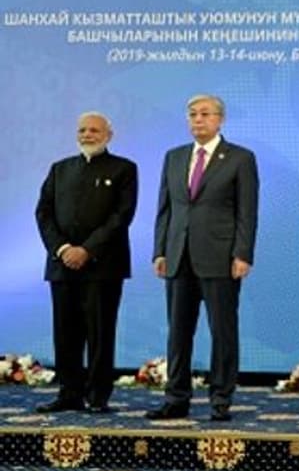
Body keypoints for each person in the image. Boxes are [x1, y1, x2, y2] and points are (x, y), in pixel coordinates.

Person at [148, 95, 258, 422]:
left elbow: (247, 212)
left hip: (220, 258)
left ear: (220, 119)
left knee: (222, 331)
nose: (198, 119)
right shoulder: (174, 157)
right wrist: (160, 250)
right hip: (178, 256)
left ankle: (221, 399)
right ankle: (176, 397)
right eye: (193, 114)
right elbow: (165, 209)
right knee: (178, 333)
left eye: (205, 114)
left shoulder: (240, 158)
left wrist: (242, 253)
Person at [34, 112, 137, 414]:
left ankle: (98, 396)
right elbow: (43, 213)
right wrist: (64, 249)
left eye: (94, 130)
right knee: (65, 333)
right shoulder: (60, 169)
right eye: (82, 130)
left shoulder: (124, 168)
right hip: (62, 264)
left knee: (100, 333)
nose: (87, 135)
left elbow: (121, 216)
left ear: (108, 135)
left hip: (103, 266)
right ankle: (69, 393)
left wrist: (87, 250)